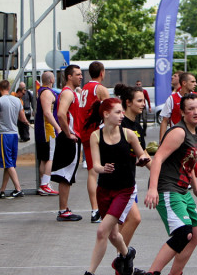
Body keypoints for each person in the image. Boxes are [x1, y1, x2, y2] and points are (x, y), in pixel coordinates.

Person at [138, 94, 197, 275]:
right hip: (168, 188)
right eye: (191, 109)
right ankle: (152, 273)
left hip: (183, 189)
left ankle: (176, 272)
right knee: (183, 233)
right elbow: (158, 158)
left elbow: (188, 163)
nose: (196, 112)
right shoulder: (179, 132)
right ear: (183, 112)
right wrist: (152, 188)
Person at [84, 98, 149, 275]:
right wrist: (103, 168)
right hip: (104, 189)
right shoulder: (96, 136)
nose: (122, 115)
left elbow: (142, 155)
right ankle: (127, 254)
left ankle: (90, 272)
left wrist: (143, 160)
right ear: (106, 114)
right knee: (113, 235)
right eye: (118, 112)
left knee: (101, 231)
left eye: (122, 112)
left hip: (124, 190)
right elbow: (96, 165)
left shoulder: (128, 134)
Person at [159, 72, 197, 219]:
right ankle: (181, 203)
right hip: (180, 143)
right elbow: (165, 121)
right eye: (192, 81)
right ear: (184, 83)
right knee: (181, 174)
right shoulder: (172, 99)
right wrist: (162, 141)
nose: (195, 84)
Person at [114, 84, 151, 248]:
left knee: (125, 222)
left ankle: (121, 259)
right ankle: (122, 258)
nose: (143, 104)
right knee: (134, 218)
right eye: (139, 101)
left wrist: (159, 172)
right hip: (117, 181)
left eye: (143, 101)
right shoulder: (119, 124)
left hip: (129, 180)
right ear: (128, 102)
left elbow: (143, 153)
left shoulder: (137, 127)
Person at [80, 62, 111, 224]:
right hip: (96, 133)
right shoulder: (100, 89)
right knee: (99, 171)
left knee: (92, 171)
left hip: (85, 131)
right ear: (102, 73)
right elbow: (111, 111)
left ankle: (95, 209)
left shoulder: (84, 88)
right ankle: (98, 209)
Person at [52, 64, 84, 221]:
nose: (81, 77)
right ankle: (63, 211)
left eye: (81, 74)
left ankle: (64, 209)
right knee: (65, 175)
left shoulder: (72, 93)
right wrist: (68, 133)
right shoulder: (67, 93)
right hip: (69, 138)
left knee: (67, 175)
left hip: (72, 137)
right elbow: (60, 114)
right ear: (69, 77)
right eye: (78, 74)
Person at [0, 80, 27, 198]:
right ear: (9, 87)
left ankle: (18, 188)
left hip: (4, 134)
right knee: (9, 162)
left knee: (7, 162)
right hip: (14, 133)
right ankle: (2, 189)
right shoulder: (17, 100)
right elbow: (22, 118)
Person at [35, 71, 60, 196]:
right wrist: (58, 127)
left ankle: (44, 184)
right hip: (47, 130)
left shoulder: (42, 91)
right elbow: (47, 112)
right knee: (49, 158)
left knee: (44, 159)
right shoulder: (47, 93)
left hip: (43, 129)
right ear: (51, 80)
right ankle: (45, 184)